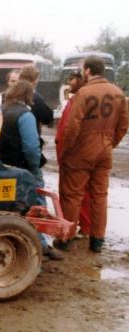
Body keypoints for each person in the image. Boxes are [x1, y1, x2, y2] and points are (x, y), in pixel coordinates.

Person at [58, 56, 128, 252]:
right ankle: (97, 239)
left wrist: (67, 149)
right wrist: (109, 144)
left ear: (87, 70)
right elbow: (123, 126)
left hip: (81, 151)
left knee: (73, 195)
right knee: (99, 195)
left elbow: (72, 126)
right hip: (104, 151)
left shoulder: (83, 93)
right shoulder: (118, 93)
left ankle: (66, 237)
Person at [0, 80, 63, 260]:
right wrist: (34, 168)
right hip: (24, 168)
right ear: (28, 96)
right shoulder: (25, 115)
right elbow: (31, 148)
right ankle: (41, 246)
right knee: (36, 206)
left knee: (7, 205)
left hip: (2, 166)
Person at [55, 71, 90, 240]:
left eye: (72, 79)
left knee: (72, 195)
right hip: (79, 152)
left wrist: (65, 151)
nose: (69, 82)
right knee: (84, 193)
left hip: (73, 154)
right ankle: (84, 227)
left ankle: (69, 231)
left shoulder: (78, 100)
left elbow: (69, 129)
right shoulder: (75, 99)